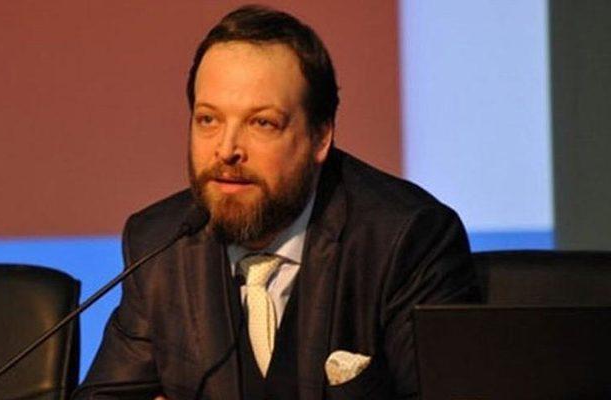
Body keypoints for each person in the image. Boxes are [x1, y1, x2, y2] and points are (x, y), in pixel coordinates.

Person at [73, 5, 479, 400]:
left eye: (262, 123)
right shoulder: (160, 245)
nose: (227, 150)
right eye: (208, 119)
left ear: (321, 137)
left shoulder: (406, 239)